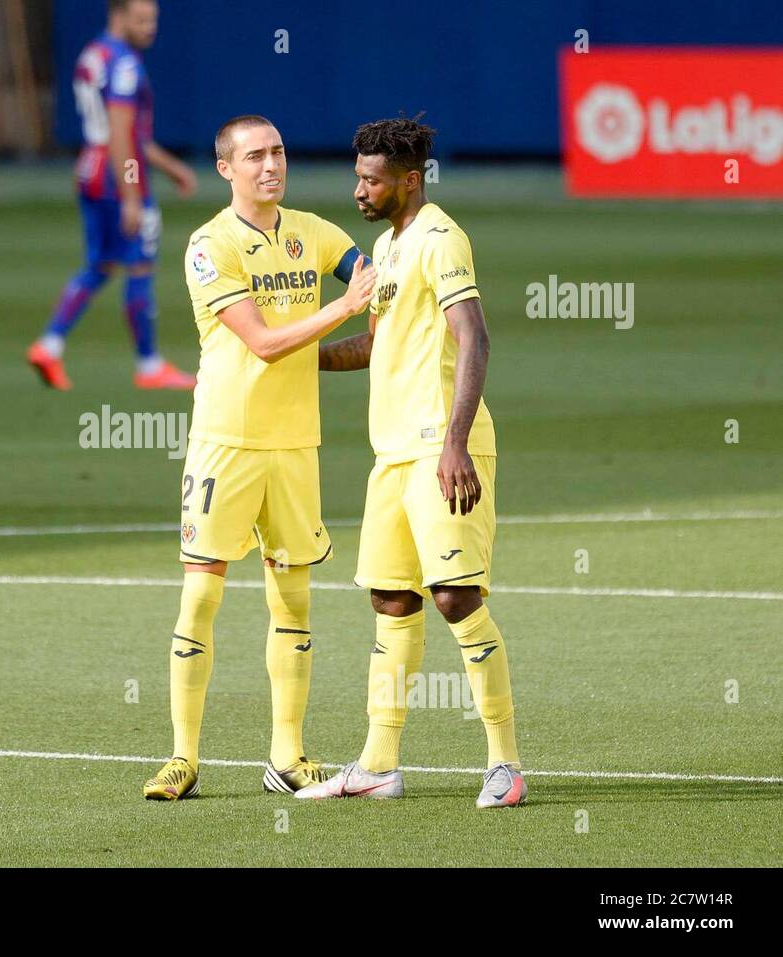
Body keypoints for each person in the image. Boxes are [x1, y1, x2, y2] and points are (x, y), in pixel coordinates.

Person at [142, 115, 376, 800]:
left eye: (277, 151)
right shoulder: (209, 246)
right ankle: (183, 756)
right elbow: (265, 343)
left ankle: (288, 756)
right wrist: (346, 310)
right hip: (226, 442)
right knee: (202, 593)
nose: (270, 165)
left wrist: (384, 294)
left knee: (294, 600)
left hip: (295, 444)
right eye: (254, 156)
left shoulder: (314, 232)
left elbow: (375, 275)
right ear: (226, 168)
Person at [297, 117, 525, 808]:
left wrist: (455, 441)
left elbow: (474, 335)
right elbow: (375, 344)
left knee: (456, 596)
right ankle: (378, 764)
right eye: (358, 176)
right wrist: (293, 356)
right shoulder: (386, 247)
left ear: (410, 179)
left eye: (372, 179)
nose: (359, 189)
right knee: (392, 600)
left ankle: (506, 765)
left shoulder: (440, 238)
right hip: (391, 453)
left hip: (439, 447)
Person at [26, 0, 197, 392]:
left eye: (154, 19)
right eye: (142, 20)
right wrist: (132, 194)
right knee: (139, 266)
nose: (150, 28)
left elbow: (108, 130)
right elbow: (121, 133)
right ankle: (149, 364)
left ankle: (49, 345)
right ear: (118, 15)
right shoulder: (124, 64)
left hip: (91, 168)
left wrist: (173, 169)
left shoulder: (92, 54)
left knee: (100, 263)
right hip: (117, 173)